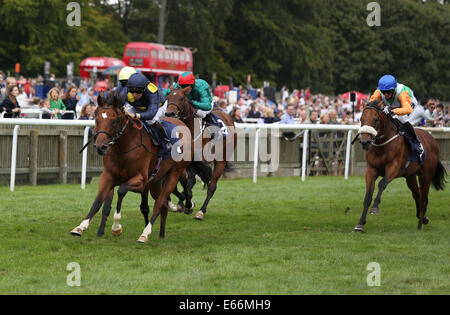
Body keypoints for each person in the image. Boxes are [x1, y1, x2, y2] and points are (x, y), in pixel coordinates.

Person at [369, 74, 424, 162]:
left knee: (402, 119)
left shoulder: (402, 93)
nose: (386, 94)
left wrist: (393, 111)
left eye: (388, 92)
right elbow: (371, 103)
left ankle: (417, 143)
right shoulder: (379, 91)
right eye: (383, 92)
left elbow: (407, 109)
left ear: (394, 89)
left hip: (407, 104)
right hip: (392, 104)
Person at [124, 72, 171, 148]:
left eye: (138, 91)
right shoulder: (126, 90)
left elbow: (151, 114)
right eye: (132, 91)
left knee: (151, 121)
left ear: (144, 89)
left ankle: (166, 140)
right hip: (141, 106)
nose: (134, 94)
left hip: (159, 106)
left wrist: (135, 115)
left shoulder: (152, 93)